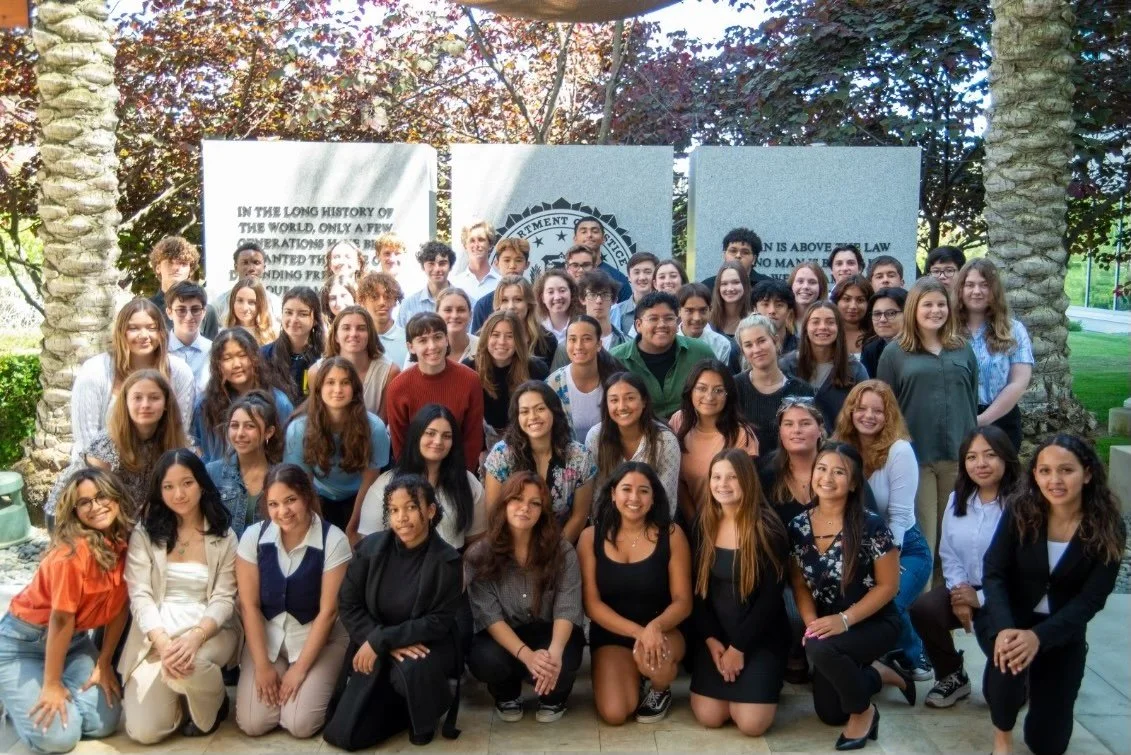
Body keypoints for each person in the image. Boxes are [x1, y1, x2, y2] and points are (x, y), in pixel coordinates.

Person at [976, 435, 1125, 755]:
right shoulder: (1020, 509)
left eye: (1065, 470)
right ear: (1035, 475)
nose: (1054, 480)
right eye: (1044, 471)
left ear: (1087, 473)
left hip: (1061, 631)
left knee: (1048, 743)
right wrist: (1004, 628)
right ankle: (1001, 740)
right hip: (1008, 619)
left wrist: (1039, 638)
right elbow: (994, 571)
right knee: (1009, 661)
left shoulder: (1107, 525)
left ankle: (1033, 679)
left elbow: (1091, 599)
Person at [787, 442, 913, 751]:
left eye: (839, 472)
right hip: (828, 624)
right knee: (830, 713)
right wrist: (811, 622)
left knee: (822, 650)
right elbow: (800, 584)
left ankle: (864, 712)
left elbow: (889, 586)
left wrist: (845, 620)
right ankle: (878, 673)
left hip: (874, 622)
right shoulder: (797, 526)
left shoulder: (871, 525)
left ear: (854, 482)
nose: (827, 478)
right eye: (822, 469)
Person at [323, 475, 463, 749]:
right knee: (344, 735)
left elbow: (438, 621)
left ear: (430, 511)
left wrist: (383, 640)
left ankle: (427, 709)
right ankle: (401, 708)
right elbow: (349, 606)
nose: (402, 518)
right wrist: (379, 640)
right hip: (372, 642)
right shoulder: (369, 549)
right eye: (394, 510)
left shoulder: (447, 560)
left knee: (410, 672)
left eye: (411, 507)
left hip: (425, 647)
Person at [0, 468, 132, 754]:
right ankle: (14, 696)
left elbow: (121, 608)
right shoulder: (71, 554)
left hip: (73, 643)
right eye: (85, 502)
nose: (96, 506)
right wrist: (51, 684)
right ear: (75, 510)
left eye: (102, 496)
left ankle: (27, 697)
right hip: (21, 644)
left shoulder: (126, 543)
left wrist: (104, 663)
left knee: (103, 722)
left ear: (117, 497)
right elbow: (60, 619)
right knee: (60, 738)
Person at [119, 450, 240, 743]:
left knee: (190, 667)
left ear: (201, 483)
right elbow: (140, 594)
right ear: (159, 491)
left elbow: (224, 598)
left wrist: (195, 637)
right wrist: (162, 642)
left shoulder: (224, 536)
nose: (179, 494)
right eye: (168, 486)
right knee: (144, 732)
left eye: (187, 483)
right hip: (157, 638)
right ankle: (185, 698)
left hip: (209, 633)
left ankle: (213, 707)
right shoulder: (145, 533)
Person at [234, 464, 351, 739]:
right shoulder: (253, 537)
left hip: (319, 641)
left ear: (307, 497)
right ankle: (276, 682)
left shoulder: (333, 540)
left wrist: (299, 670)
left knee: (300, 725)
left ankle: (326, 685)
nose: (282, 512)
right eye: (273, 504)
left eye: (290, 501)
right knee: (253, 723)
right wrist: (262, 666)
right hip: (268, 640)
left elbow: (328, 612)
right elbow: (248, 605)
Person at [909, 426, 1021, 709]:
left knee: (1000, 698)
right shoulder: (958, 499)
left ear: (1006, 458)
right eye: (972, 457)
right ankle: (952, 675)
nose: (980, 464)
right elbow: (948, 551)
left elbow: (1022, 569)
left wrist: (981, 598)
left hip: (1011, 596)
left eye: (990, 455)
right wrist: (960, 593)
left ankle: (1032, 667)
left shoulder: (1022, 506)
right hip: (965, 586)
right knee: (924, 609)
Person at [465, 472, 587, 724]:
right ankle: (506, 694)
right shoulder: (480, 555)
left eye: (535, 503)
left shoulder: (562, 550)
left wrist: (552, 655)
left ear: (543, 511)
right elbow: (489, 617)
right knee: (485, 659)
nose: (525, 508)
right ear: (504, 504)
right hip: (505, 636)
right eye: (517, 499)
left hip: (548, 630)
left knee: (565, 655)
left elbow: (568, 605)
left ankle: (554, 696)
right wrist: (527, 656)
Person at [579, 462, 692, 725]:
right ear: (613, 494)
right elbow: (592, 605)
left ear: (653, 498)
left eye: (643, 491)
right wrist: (638, 633)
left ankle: (659, 689)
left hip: (663, 629)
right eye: (626, 489)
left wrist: (654, 627)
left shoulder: (672, 535)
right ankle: (632, 674)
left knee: (652, 661)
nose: (634, 498)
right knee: (616, 713)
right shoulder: (589, 537)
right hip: (612, 634)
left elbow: (683, 601)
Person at [835, 381, 932, 681]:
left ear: (888, 415)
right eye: (861, 408)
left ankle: (914, 655)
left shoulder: (899, 451)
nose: (868, 415)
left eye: (878, 410)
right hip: (858, 547)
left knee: (886, 599)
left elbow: (900, 516)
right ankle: (880, 654)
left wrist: (884, 565)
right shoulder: (839, 448)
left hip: (904, 546)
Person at [689, 450, 790, 737]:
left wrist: (739, 649)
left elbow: (770, 600)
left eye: (732, 477)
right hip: (717, 637)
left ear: (748, 480)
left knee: (751, 724)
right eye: (717, 477)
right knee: (710, 716)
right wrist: (712, 642)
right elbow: (697, 593)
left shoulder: (768, 528)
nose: (723, 484)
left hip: (759, 638)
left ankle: (767, 680)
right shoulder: (703, 524)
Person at [877, 276, 978, 565]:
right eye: (928, 304)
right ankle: (922, 604)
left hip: (959, 458)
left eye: (941, 304)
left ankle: (950, 601)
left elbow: (972, 399)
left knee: (954, 538)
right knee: (924, 538)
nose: (936, 311)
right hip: (915, 460)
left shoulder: (962, 349)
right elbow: (885, 408)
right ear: (913, 309)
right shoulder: (895, 353)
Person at [48, 370, 189, 522]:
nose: (145, 404)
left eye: (154, 398)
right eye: (137, 398)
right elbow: (96, 499)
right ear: (126, 403)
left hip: (128, 515)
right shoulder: (107, 443)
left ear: (166, 403)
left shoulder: (173, 440)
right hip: (76, 515)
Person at [71, 298, 196, 460]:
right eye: (133, 328)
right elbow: (86, 441)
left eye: (151, 328)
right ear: (121, 332)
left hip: (159, 469)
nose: (144, 335)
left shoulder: (179, 372)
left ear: (161, 332)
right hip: (100, 471)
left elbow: (179, 432)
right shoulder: (94, 371)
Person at [353, 404, 487, 549]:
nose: (438, 441)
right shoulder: (385, 485)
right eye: (430, 433)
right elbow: (369, 543)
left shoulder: (468, 482)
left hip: (452, 566)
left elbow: (477, 539)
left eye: (446, 436)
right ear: (417, 436)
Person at [283, 355, 390, 530]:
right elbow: (304, 482)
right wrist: (322, 528)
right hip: (317, 497)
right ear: (319, 388)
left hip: (361, 498)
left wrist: (354, 525)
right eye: (330, 382)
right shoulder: (298, 429)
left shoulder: (374, 428)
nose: (338, 389)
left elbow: (370, 480)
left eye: (345, 383)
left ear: (354, 388)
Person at [484, 381, 596, 543]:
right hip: (510, 546)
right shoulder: (501, 455)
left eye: (540, 409)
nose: (533, 417)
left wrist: (555, 551)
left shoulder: (579, 456)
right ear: (517, 417)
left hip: (561, 547)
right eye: (524, 411)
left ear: (554, 411)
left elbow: (579, 516)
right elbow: (494, 514)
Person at [384, 312, 485, 472]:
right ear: (411, 347)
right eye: (423, 340)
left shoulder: (470, 380)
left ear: (446, 339)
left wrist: (461, 477)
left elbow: (473, 437)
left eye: (437, 337)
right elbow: (400, 444)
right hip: (415, 472)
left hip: (458, 470)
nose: (432, 346)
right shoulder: (398, 387)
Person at [955, 258, 1034, 450]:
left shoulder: (1014, 330)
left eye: (985, 285)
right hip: (956, 422)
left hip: (1002, 422)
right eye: (970, 285)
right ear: (960, 289)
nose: (977, 291)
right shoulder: (945, 329)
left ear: (994, 290)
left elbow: (1018, 382)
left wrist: (983, 419)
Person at [669, 361, 759, 525]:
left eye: (718, 390)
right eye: (702, 388)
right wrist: (695, 522)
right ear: (691, 391)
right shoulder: (678, 422)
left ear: (728, 395)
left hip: (729, 522)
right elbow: (677, 480)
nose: (709, 397)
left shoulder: (740, 434)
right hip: (686, 521)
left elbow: (743, 491)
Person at [191, 327, 294, 463]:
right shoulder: (205, 405)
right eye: (227, 358)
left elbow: (290, 450)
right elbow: (202, 449)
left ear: (255, 358)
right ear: (218, 365)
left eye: (242, 355)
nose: (236, 364)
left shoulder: (278, 402)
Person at [584, 372, 681, 515]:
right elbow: (597, 496)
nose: (622, 406)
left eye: (630, 398)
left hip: (653, 524)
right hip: (608, 524)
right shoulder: (596, 436)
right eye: (614, 400)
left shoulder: (665, 440)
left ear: (644, 401)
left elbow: (666, 499)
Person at [610, 291, 716, 420]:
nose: (662, 325)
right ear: (638, 325)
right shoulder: (616, 359)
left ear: (677, 323)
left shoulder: (700, 352)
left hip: (692, 430)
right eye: (653, 319)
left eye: (669, 318)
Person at [463, 310, 550, 446]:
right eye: (495, 335)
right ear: (486, 337)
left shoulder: (536, 369)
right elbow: (468, 417)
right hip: (482, 439)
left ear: (519, 340)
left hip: (526, 437)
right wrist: (481, 450)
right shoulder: (469, 368)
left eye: (510, 336)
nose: (502, 342)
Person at [206, 391, 284, 538]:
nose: (240, 433)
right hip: (224, 558)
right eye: (234, 426)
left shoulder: (281, 476)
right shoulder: (212, 473)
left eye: (250, 426)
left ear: (269, 432)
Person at [733, 315, 815, 454]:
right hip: (746, 470)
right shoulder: (734, 387)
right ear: (743, 351)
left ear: (775, 341)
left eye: (762, 341)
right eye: (748, 345)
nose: (757, 349)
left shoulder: (801, 389)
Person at [779, 301, 868, 428]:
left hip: (839, 445)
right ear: (806, 328)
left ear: (838, 328)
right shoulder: (786, 366)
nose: (823, 327)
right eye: (815, 322)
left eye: (830, 322)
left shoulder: (855, 370)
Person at [545, 315, 625, 442]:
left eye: (586, 339)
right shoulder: (553, 384)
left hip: (612, 455)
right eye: (572, 339)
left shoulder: (616, 381)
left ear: (599, 344)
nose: (578, 346)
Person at [314, 305, 399, 421]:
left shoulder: (389, 372)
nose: (353, 334)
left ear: (370, 335)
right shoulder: (316, 371)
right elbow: (317, 417)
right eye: (346, 328)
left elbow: (382, 423)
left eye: (361, 328)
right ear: (336, 336)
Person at [261, 286, 324, 403]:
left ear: (315, 319)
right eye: (288, 312)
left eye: (303, 314)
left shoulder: (324, 357)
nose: (294, 319)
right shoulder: (264, 355)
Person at [148, 236, 220, 337]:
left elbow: (213, 350)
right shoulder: (145, 308)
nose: (176, 268)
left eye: (183, 263)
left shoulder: (207, 311)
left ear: (190, 270)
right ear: (158, 267)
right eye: (170, 262)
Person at [485, 274, 558, 363]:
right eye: (504, 300)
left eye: (518, 299)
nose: (511, 306)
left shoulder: (547, 340)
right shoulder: (486, 337)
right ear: (497, 305)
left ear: (529, 303)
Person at [210, 242, 284, 323]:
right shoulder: (219, 304)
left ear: (264, 268)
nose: (251, 268)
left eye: (256, 263)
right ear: (236, 267)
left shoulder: (276, 303)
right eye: (245, 263)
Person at [470, 237, 532, 332]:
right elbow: (477, 342)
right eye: (507, 260)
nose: (512, 266)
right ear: (496, 264)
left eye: (518, 260)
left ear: (526, 264)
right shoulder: (483, 305)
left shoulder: (535, 300)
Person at [677, 282, 738, 370]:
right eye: (689, 311)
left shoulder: (721, 345)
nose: (697, 318)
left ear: (710, 309)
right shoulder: (669, 342)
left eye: (703, 310)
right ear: (678, 311)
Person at [571, 215, 632, 302]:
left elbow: (627, 312)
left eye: (595, 231)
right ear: (575, 239)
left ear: (604, 239)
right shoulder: (562, 275)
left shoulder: (618, 278)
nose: (589, 235)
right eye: (584, 232)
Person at [165, 281, 212, 391]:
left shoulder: (213, 351)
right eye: (181, 310)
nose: (189, 317)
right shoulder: (160, 349)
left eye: (195, 309)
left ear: (204, 312)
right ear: (169, 313)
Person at [397, 241, 456, 326]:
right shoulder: (408, 305)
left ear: (450, 266)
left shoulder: (466, 303)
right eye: (431, 264)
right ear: (423, 267)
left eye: (442, 263)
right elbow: (401, 337)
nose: (437, 269)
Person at [357, 270, 409, 368]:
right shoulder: (356, 339)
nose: (382, 302)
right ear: (363, 301)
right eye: (374, 297)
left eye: (387, 297)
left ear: (395, 300)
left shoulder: (408, 339)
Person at [700, 228, 771, 293]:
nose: (738, 255)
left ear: (754, 259)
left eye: (745, 252)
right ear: (724, 255)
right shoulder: (707, 286)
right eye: (733, 251)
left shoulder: (768, 286)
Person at [576, 269, 628, 352]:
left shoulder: (628, 344)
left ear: (614, 300)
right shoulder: (568, 345)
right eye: (592, 294)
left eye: (605, 295)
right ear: (582, 299)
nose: (599, 300)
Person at [451, 219, 501, 305]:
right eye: (472, 240)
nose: (476, 245)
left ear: (490, 245)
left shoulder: (501, 283)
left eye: (481, 240)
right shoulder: (454, 284)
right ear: (465, 246)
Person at [859, 287, 906, 378]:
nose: (882, 319)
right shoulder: (871, 350)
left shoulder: (923, 347)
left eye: (891, 313)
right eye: (877, 314)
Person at [610, 251, 659, 335]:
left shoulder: (667, 310)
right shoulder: (617, 312)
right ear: (629, 277)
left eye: (647, 272)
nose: (642, 277)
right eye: (636, 272)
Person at [223, 277, 278, 345]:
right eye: (240, 300)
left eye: (251, 302)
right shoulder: (223, 335)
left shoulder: (273, 335)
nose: (245, 308)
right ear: (232, 302)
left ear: (261, 304)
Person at [751, 279, 799, 354]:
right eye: (765, 304)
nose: (772, 311)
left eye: (779, 305)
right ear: (755, 310)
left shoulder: (802, 348)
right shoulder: (742, 348)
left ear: (789, 311)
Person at [831, 275, 874, 356]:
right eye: (847, 299)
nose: (853, 306)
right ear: (836, 301)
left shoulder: (876, 336)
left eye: (860, 300)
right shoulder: (827, 332)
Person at [535, 268, 580, 343]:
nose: (557, 297)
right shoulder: (535, 329)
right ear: (542, 298)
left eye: (562, 290)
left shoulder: (583, 324)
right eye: (550, 292)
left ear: (571, 293)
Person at [708, 261, 751, 340]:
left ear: (745, 285)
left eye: (736, 282)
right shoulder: (707, 319)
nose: (730, 288)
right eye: (724, 284)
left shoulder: (754, 320)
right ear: (718, 287)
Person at [435, 286, 479, 364]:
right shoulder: (424, 349)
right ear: (437, 315)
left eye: (461, 310)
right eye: (448, 310)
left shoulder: (482, 347)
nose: (455, 316)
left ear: (470, 315)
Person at [788, 262, 829, 327]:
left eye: (812, 282)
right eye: (800, 281)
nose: (805, 286)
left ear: (821, 288)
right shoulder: (780, 319)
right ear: (791, 285)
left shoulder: (830, 321)